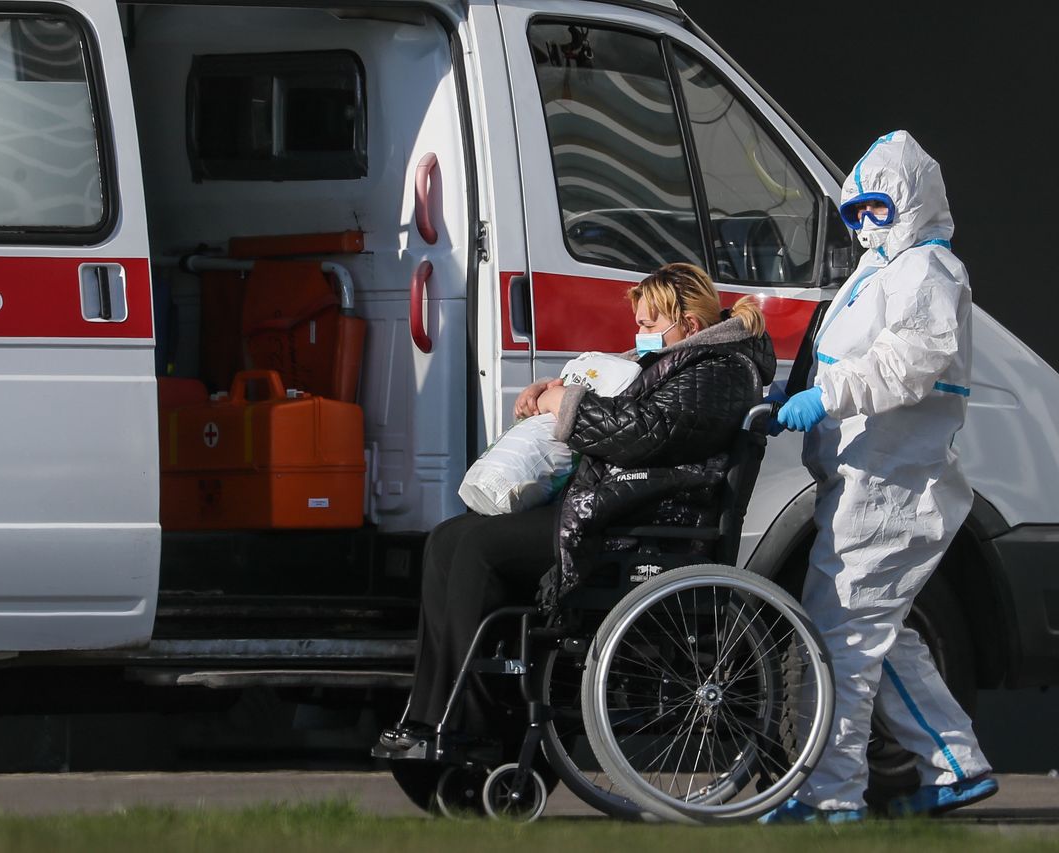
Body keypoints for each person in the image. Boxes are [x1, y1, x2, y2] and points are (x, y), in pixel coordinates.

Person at [376, 262, 775, 752]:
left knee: (479, 548)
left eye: (649, 324)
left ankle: (472, 724)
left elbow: (643, 434)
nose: (640, 333)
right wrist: (553, 390)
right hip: (613, 508)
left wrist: (565, 406)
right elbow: (627, 408)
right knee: (447, 538)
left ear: (688, 326)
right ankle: (432, 713)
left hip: (644, 524)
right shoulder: (688, 362)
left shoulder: (720, 371)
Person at [761, 131, 997, 824]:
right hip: (870, 481)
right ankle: (956, 765)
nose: (865, 224)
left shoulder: (928, 272)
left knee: (843, 641)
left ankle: (829, 793)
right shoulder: (885, 272)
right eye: (856, 211)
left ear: (912, 203)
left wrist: (822, 398)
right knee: (879, 635)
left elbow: (906, 362)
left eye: (878, 208)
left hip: (892, 488)